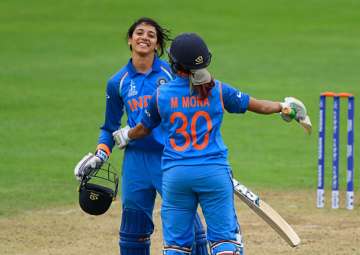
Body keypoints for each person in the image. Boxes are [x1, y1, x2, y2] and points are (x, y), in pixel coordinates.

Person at [112, 33, 308, 255]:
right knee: (224, 241)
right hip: (213, 174)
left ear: (174, 64)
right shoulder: (219, 90)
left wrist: (127, 135)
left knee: (176, 246)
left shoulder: (161, 95)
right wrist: (286, 107)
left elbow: (143, 129)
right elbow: (259, 106)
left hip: (176, 176)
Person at [74, 19, 208, 255]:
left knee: (189, 229)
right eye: (139, 33)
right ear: (130, 39)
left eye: (151, 35)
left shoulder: (172, 73)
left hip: (171, 159)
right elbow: (109, 127)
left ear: (157, 45)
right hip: (136, 161)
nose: (144, 37)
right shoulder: (117, 82)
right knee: (133, 232)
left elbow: (197, 105)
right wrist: (101, 154)